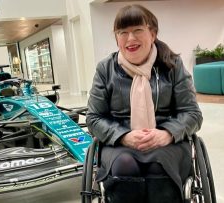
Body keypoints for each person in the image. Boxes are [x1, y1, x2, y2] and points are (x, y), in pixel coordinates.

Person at [86, 4, 202, 203]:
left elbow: (192, 113)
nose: (130, 38)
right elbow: (94, 118)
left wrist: (167, 133)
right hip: (119, 143)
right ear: (116, 38)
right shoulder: (106, 69)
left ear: (153, 33)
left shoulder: (172, 65)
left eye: (138, 30)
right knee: (124, 164)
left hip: (168, 142)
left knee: (159, 165)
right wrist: (124, 136)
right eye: (123, 32)